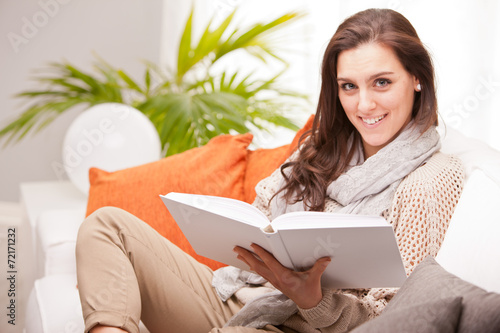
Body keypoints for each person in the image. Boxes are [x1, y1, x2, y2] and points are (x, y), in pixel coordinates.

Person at [76, 8, 465, 333]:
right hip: (245, 299)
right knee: (107, 225)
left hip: (298, 326)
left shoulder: (431, 179)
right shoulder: (321, 147)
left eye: (381, 82)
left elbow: (390, 319)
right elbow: (262, 215)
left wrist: (313, 298)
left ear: (417, 78)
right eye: (348, 86)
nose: (364, 105)